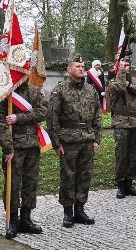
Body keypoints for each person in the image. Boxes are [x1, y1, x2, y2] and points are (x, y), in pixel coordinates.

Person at [47, 56, 103, 227]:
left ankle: (80, 209)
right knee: (68, 176)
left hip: (87, 139)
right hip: (68, 140)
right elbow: (52, 118)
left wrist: (96, 138)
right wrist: (56, 143)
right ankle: (68, 212)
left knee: (84, 176)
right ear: (69, 69)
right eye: (77, 66)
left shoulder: (90, 90)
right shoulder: (60, 90)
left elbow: (97, 116)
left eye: (83, 66)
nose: (81, 68)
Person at [0, 79, 48, 238]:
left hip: (32, 144)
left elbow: (43, 111)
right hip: (14, 146)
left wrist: (19, 118)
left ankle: (26, 218)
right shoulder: (4, 94)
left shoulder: (34, 91)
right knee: (13, 184)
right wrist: (7, 147)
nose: (22, 75)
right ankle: (13, 220)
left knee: (31, 182)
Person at [110, 57, 136, 199]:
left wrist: (131, 86)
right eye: (123, 65)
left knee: (134, 154)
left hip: (134, 122)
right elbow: (118, 88)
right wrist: (121, 76)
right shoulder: (113, 82)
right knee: (121, 154)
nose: (126, 67)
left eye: (127, 65)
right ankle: (121, 184)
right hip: (121, 123)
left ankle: (129, 182)